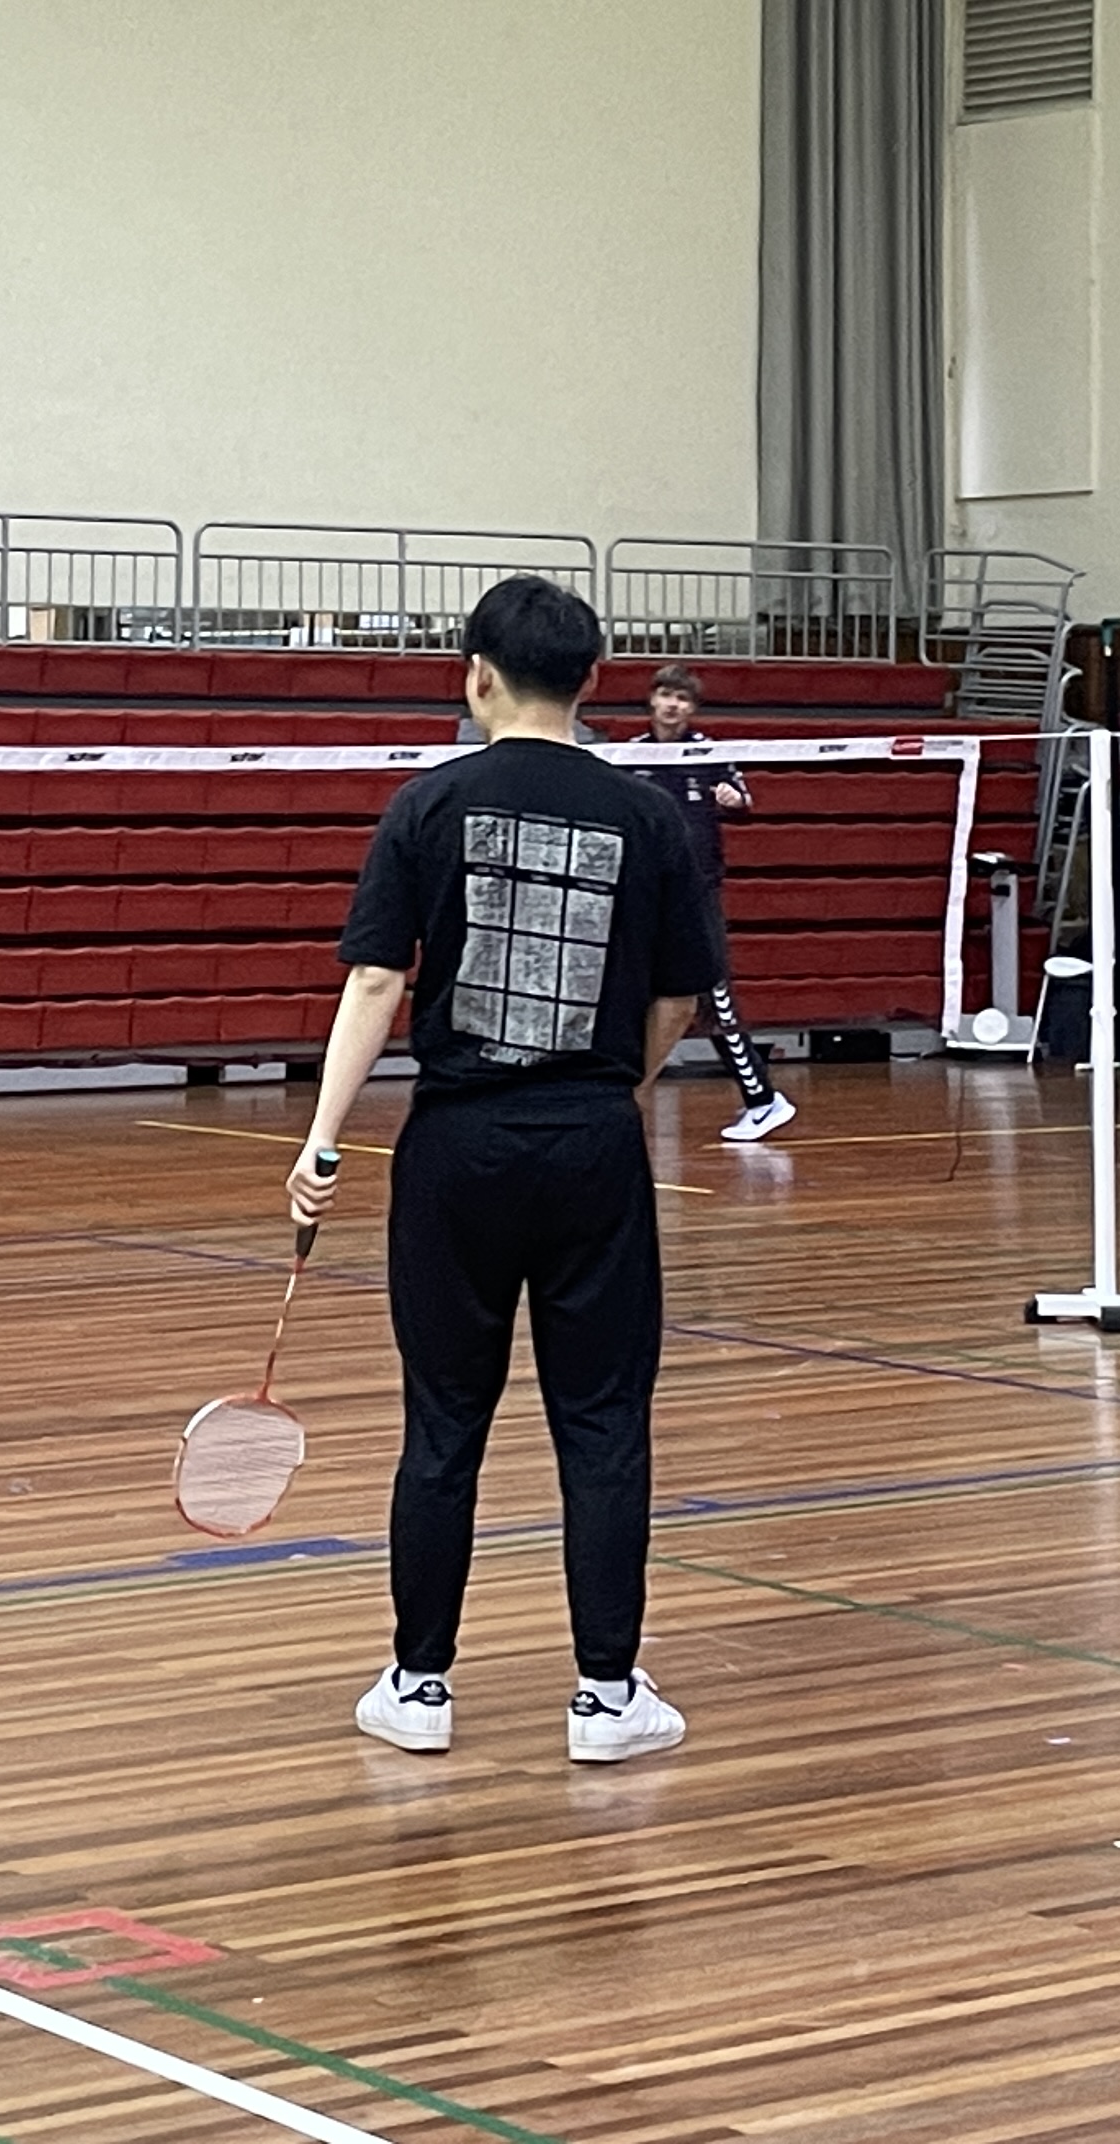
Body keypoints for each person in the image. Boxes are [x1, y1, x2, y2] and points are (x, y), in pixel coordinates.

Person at [293, 578, 717, 1764]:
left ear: (475, 675)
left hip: (455, 1150)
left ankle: (419, 1686)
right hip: (591, 1148)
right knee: (603, 1422)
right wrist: (610, 1093)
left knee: (443, 1421)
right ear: (595, 680)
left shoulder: (426, 803)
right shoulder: (646, 817)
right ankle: (607, 1698)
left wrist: (321, 1141)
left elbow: (376, 980)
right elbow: (679, 999)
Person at [641, 664, 794, 1145]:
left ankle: (763, 1099)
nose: (673, 705)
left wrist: (733, 798)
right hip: (649, 895)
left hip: (698, 892)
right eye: (666, 695)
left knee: (715, 997)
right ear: (652, 700)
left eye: (682, 699)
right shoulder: (630, 754)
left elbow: (744, 799)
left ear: (692, 708)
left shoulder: (710, 754)